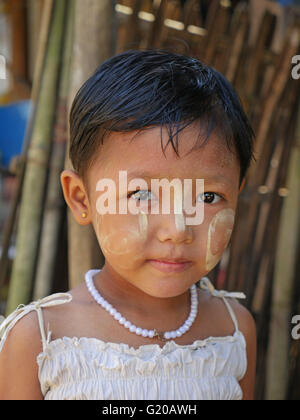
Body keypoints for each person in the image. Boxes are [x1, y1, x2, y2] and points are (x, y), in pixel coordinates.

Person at [0, 49, 257, 400]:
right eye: (141, 194)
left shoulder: (234, 330)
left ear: (237, 195)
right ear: (81, 198)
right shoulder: (40, 339)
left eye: (208, 197)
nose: (177, 229)